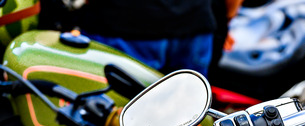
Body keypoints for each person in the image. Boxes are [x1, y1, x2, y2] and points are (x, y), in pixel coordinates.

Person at [67, 0, 241, 76]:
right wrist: (224, 18)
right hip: (194, 26)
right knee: (184, 122)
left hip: (123, 25)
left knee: (116, 124)